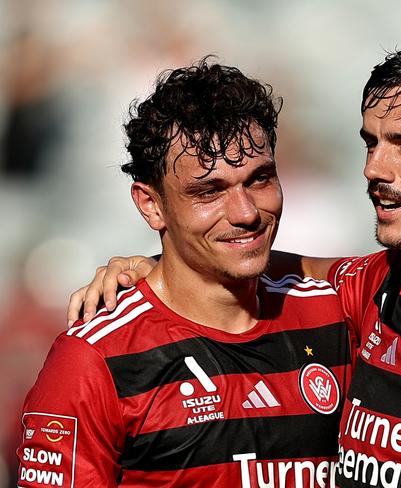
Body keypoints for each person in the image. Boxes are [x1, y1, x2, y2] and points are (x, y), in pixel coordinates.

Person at [68, 28, 401, 487]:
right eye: (372, 143)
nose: (375, 169)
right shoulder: (375, 285)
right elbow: (277, 263)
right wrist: (160, 268)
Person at [18, 58, 351, 487]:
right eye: (208, 192)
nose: (246, 213)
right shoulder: (94, 360)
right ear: (151, 205)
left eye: (260, 179)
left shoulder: (335, 311)